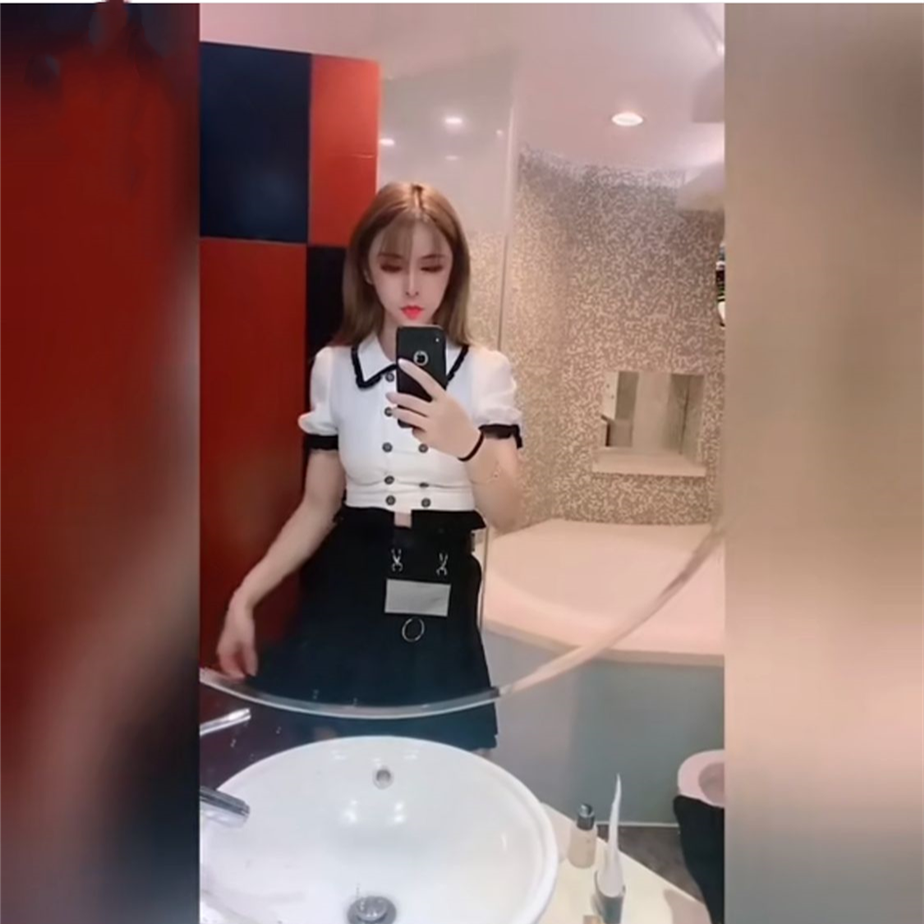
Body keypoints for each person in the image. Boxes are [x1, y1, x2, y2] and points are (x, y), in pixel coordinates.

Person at [216, 182, 523, 752]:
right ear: (365, 269)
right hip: (351, 583)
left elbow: (508, 511)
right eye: (392, 265)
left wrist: (468, 443)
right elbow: (317, 507)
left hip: (440, 581)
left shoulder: (486, 372)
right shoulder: (335, 368)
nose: (412, 286)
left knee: (441, 756)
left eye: (432, 266)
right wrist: (245, 596)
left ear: (454, 271)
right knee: (337, 754)